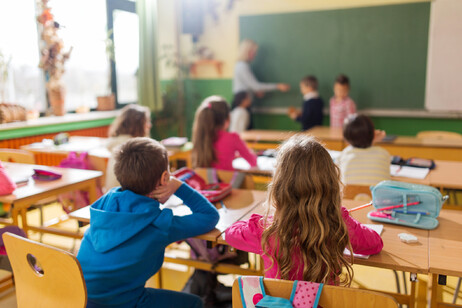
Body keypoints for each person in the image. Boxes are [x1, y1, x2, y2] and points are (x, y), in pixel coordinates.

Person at [77, 137, 219, 308]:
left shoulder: (104, 205)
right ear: (165, 177)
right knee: (195, 303)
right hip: (124, 303)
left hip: (81, 298)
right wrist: (177, 186)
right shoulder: (160, 225)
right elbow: (209, 216)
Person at [225, 134, 383, 284]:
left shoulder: (265, 230)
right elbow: (375, 244)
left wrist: (260, 221)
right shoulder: (338, 222)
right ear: (330, 183)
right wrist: (344, 217)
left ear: (280, 186)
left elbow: (230, 234)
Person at [192, 96, 257, 171]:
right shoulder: (233, 138)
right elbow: (253, 162)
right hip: (228, 182)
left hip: (203, 182)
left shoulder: (200, 138)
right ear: (228, 118)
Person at [104, 104, 151, 191]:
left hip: (112, 196)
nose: (149, 125)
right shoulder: (136, 147)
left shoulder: (116, 143)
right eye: (146, 122)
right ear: (138, 125)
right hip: (128, 197)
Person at [338, 114, 390, 185]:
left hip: (350, 196)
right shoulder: (383, 153)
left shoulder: (344, 154)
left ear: (346, 139)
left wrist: (371, 138)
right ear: (373, 134)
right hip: (376, 196)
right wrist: (371, 139)